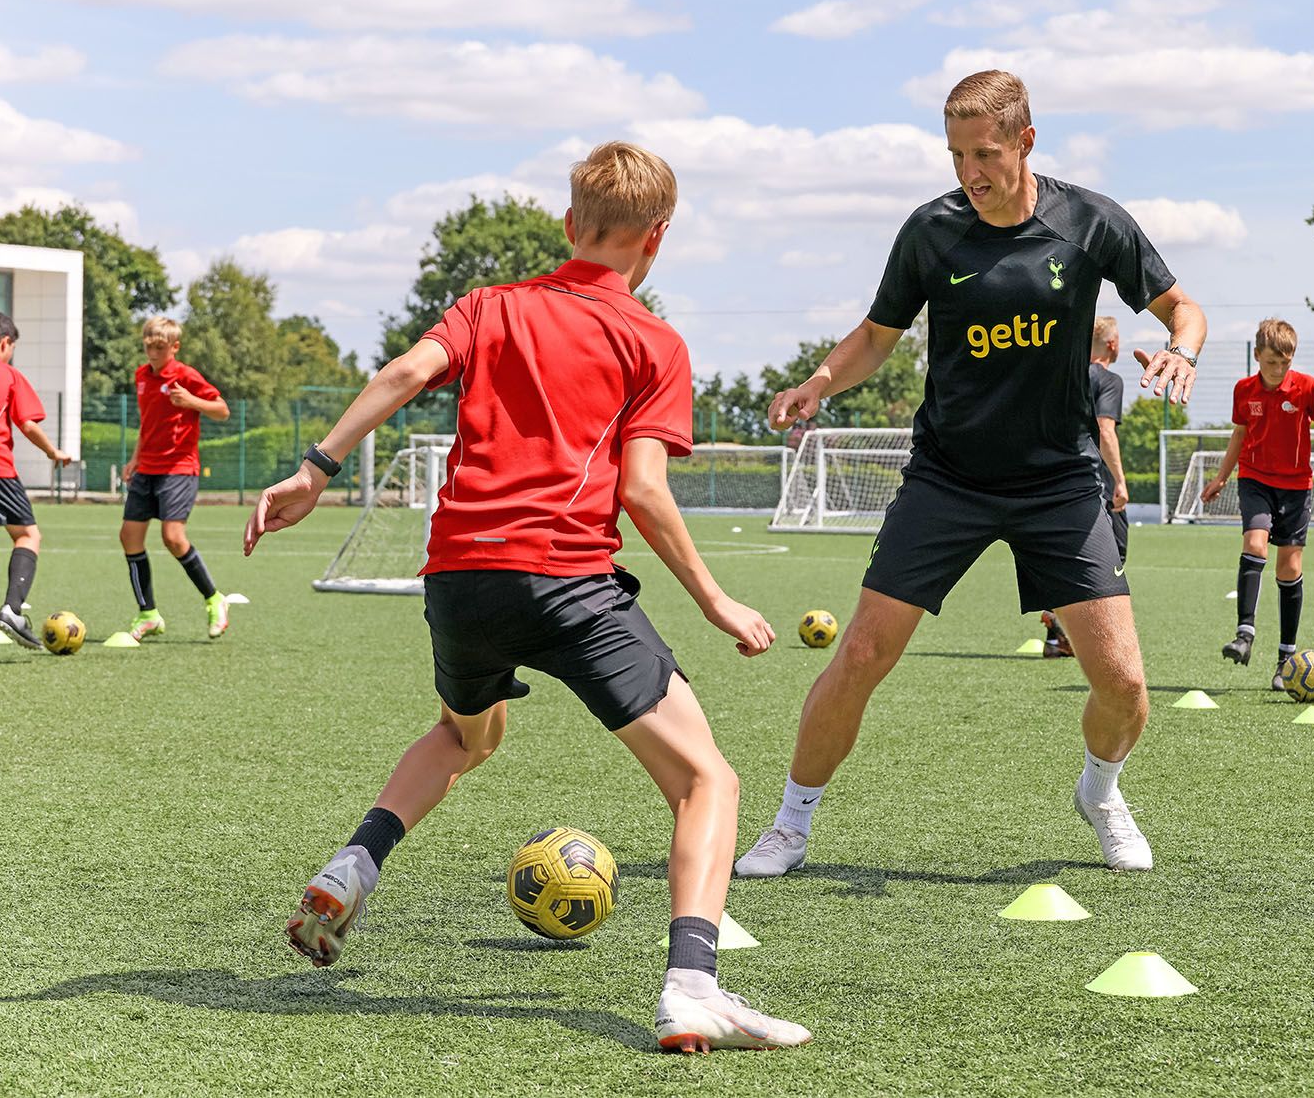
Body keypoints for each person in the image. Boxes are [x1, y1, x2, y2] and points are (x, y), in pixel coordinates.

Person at [243, 141, 810, 1053]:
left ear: (568, 223)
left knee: (468, 735)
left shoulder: (489, 305)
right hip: (566, 579)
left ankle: (353, 867)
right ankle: (693, 987)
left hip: (460, 579)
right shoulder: (654, 341)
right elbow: (644, 490)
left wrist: (315, 469)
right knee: (709, 780)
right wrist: (714, 600)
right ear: (656, 241)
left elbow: (402, 376)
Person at [735, 70, 1205, 879]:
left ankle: (1100, 791)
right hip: (948, 479)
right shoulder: (931, 231)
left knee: (1125, 683)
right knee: (861, 654)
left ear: (1027, 140)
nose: (969, 173)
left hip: (1059, 482)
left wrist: (1181, 351)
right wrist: (819, 381)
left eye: (984, 153)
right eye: (956, 155)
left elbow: (1182, 309)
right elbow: (877, 336)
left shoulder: (1090, 221)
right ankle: (789, 823)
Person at [1198, 320, 1314, 689]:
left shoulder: (1307, 387)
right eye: (1272, 361)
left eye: (1285, 363)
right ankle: (1245, 634)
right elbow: (1239, 433)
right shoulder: (1244, 390)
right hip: (1254, 479)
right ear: (1257, 356)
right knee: (1254, 543)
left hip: (1296, 487)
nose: (1278, 369)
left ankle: (1286, 660)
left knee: (1289, 568)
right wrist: (1222, 477)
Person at [121, 316, 232, 641]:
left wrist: (191, 401)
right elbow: (148, 422)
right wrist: (135, 459)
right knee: (129, 536)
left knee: (173, 537)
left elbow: (222, 410)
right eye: (148, 346)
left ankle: (214, 599)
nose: (153, 353)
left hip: (179, 468)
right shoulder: (142, 375)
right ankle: (148, 614)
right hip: (147, 468)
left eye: (160, 347)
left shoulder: (185, 375)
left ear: (174, 347)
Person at [0, 311, 73, 658]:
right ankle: (12, 609)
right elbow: (28, 423)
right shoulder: (9, 375)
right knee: (27, 534)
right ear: (5, 343)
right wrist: (53, 451)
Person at [1042, 315, 1128, 659]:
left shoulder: (1065, 372)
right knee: (1113, 556)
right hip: (1094, 480)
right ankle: (1088, 637)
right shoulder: (1109, 379)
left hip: (1058, 476)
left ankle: (1057, 634)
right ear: (1111, 344)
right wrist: (1119, 480)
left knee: (1065, 556)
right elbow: (1105, 431)